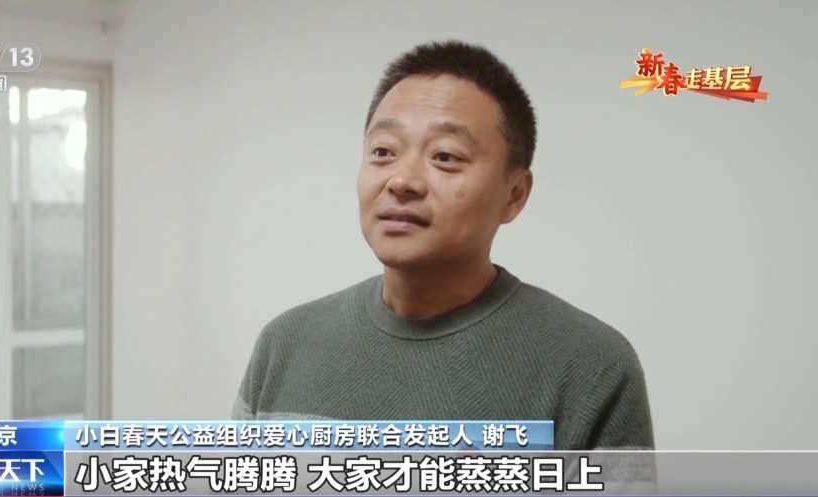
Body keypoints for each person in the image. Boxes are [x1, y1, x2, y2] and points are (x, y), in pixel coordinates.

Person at [231, 40, 655, 451]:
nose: (402, 181)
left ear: (514, 194)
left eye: (446, 157)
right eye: (383, 151)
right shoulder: (285, 344)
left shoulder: (590, 365)